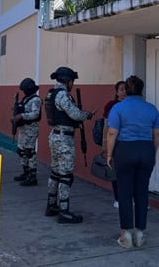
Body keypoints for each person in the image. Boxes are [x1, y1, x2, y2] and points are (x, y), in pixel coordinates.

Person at [106, 75, 159, 249]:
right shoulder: (152, 108)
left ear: (126, 90)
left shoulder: (118, 108)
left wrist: (109, 154)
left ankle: (126, 234)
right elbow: (157, 134)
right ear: (141, 89)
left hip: (125, 151)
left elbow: (112, 133)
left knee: (124, 192)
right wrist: (153, 152)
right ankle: (140, 232)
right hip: (146, 150)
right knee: (142, 192)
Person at [44, 66, 94, 224]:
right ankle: (64, 211)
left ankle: (52, 205)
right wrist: (86, 114)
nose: (73, 83)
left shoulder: (51, 93)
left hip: (55, 136)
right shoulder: (63, 95)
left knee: (55, 173)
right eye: (72, 80)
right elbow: (75, 114)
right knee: (65, 176)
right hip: (64, 139)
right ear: (67, 80)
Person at [12, 77, 42, 186]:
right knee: (21, 151)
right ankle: (25, 172)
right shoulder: (26, 98)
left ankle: (32, 176)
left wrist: (21, 116)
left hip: (31, 128)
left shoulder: (36, 100)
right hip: (24, 128)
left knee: (29, 152)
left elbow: (35, 114)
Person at [103, 80, 126, 208]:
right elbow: (106, 127)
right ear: (117, 92)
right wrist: (105, 146)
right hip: (115, 143)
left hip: (128, 143)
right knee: (115, 172)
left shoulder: (131, 105)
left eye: (126, 89)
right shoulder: (111, 105)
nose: (124, 91)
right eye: (121, 89)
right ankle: (118, 198)